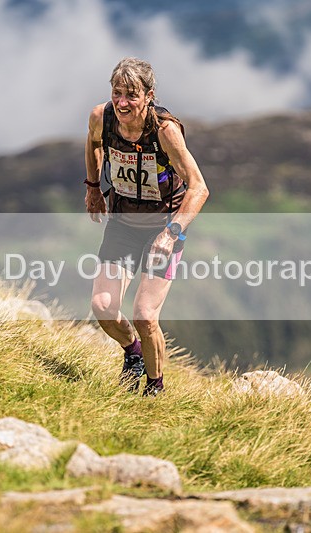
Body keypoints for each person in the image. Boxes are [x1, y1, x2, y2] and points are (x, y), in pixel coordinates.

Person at [84, 57, 209, 396]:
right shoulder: (102, 117)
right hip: (124, 223)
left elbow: (199, 188)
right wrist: (93, 187)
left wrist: (172, 234)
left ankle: (155, 388)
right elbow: (93, 142)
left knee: (144, 315)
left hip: (163, 230)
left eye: (131, 95)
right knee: (103, 307)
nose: (122, 103)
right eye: (116, 93)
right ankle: (133, 353)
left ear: (149, 95)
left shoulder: (164, 131)